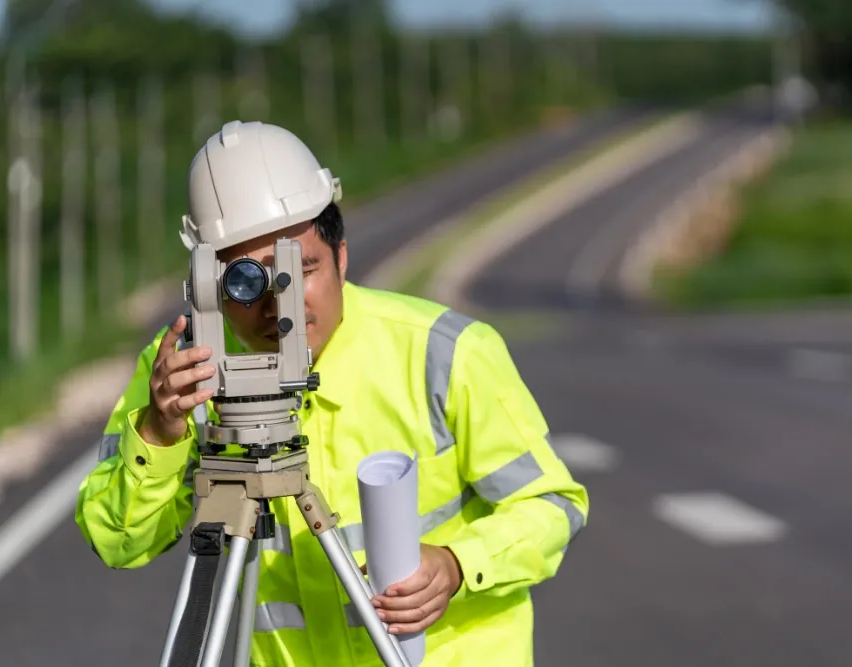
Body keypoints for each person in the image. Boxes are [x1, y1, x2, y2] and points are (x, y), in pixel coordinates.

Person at [74, 120, 590, 667]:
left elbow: (552, 504)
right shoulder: (181, 369)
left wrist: (458, 563)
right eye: (246, 282)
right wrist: (160, 431)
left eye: (301, 270)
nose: (277, 306)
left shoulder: (443, 352)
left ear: (342, 256)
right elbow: (119, 542)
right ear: (207, 282)